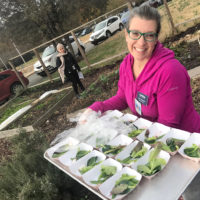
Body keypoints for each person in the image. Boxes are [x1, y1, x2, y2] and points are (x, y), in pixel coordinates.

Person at [80, 5, 200, 133]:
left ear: (156, 39)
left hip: (185, 143)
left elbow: (167, 126)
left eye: (149, 35)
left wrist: (134, 141)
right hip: (152, 139)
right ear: (126, 35)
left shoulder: (169, 71)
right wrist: (96, 108)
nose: (141, 42)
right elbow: (122, 97)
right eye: (135, 33)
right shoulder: (126, 64)